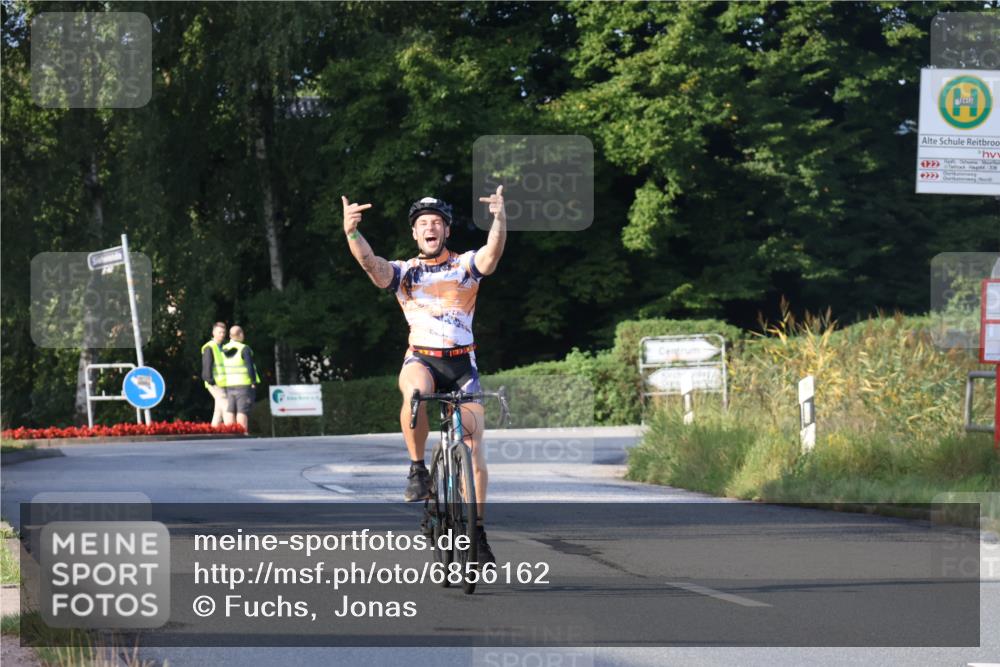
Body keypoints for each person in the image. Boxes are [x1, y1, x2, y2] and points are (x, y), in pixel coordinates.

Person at [342, 186, 507, 564]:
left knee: (475, 450)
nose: (430, 228)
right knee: (414, 395)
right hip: (423, 360)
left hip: (462, 365)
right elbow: (371, 264)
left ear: (446, 231)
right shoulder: (404, 272)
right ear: (415, 234)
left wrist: (499, 219)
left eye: (436, 223)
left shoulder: (465, 265)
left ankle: (477, 533)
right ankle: (418, 470)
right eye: (422, 224)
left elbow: (493, 252)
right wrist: (352, 233)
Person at [222, 325, 260, 431]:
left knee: (230, 409)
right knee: (242, 410)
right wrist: (253, 381)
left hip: (229, 384)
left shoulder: (224, 349)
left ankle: (230, 432)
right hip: (243, 384)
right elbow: (249, 366)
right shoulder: (244, 348)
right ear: (240, 334)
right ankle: (242, 432)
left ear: (230, 336)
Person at [200, 322, 229, 427]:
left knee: (219, 409)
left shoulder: (223, 347)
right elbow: (207, 365)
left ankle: (214, 429)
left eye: (224, 332)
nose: (222, 334)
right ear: (213, 333)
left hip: (222, 382)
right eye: (219, 332)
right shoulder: (210, 347)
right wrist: (210, 380)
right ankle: (231, 429)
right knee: (226, 405)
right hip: (214, 382)